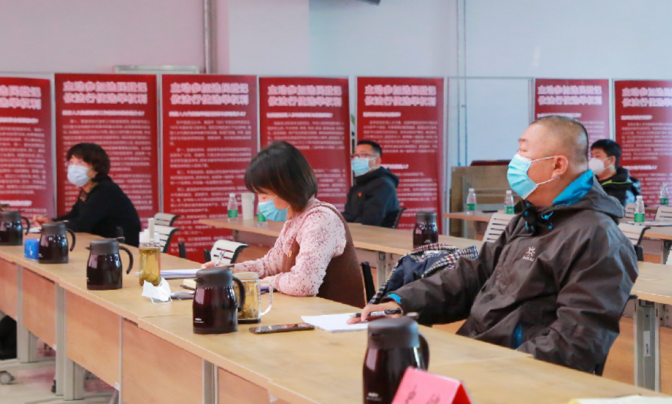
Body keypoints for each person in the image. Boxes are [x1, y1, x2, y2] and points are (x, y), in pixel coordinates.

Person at [353, 116, 638, 375]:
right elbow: (474, 274)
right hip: (478, 355)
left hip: (515, 375)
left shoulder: (597, 238)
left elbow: (575, 343)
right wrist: (402, 302)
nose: (515, 161)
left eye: (523, 152)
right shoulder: (530, 219)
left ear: (558, 165)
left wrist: (493, 369)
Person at [217, 141, 365, 304]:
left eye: (264, 196)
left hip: (335, 314)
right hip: (310, 310)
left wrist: (271, 281)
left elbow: (304, 284)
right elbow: (269, 265)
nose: (261, 203)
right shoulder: (295, 217)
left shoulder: (320, 219)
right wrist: (228, 271)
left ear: (287, 189)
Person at [34, 142, 141, 245]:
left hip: (121, 248)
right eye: (71, 162)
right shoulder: (87, 190)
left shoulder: (105, 190)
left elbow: (82, 224)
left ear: (96, 168)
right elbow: (73, 216)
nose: (73, 167)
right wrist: (51, 222)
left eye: (80, 162)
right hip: (102, 244)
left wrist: (52, 226)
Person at [343, 139, 400, 227]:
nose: (357, 159)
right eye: (355, 155)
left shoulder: (382, 186)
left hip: (373, 234)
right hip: (355, 232)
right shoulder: (359, 185)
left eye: (363, 155)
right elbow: (349, 215)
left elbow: (370, 221)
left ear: (377, 161)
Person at [589, 139, 641, 207]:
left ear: (611, 160)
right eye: (592, 156)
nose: (593, 160)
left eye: (597, 156)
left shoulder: (623, 189)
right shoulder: (589, 182)